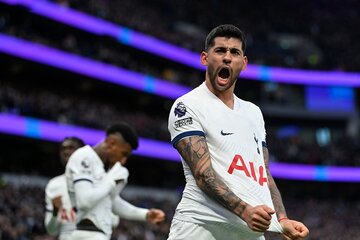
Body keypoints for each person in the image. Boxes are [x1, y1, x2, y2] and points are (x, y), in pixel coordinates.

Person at [167, 24, 309, 240]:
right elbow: (203, 175)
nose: (227, 57)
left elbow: (264, 173)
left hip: (249, 232)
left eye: (234, 52)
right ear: (205, 58)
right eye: (220, 50)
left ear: (243, 63)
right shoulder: (187, 105)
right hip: (201, 227)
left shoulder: (254, 112)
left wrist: (282, 220)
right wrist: (245, 211)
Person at [65, 123, 165, 240]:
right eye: (124, 154)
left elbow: (112, 202)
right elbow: (85, 201)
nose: (123, 161)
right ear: (111, 143)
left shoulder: (102, 167)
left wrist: (145, 214)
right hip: (87, 232)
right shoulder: (84, 157)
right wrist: (111, 180)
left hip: (97, 234)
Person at [44, 137, 85, 240]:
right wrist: (55, 211)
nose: (66, 151)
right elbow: (51, 231)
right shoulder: (53, 185)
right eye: (63, 148)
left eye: (71, 148)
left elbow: (113, 221)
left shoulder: (96, 181)